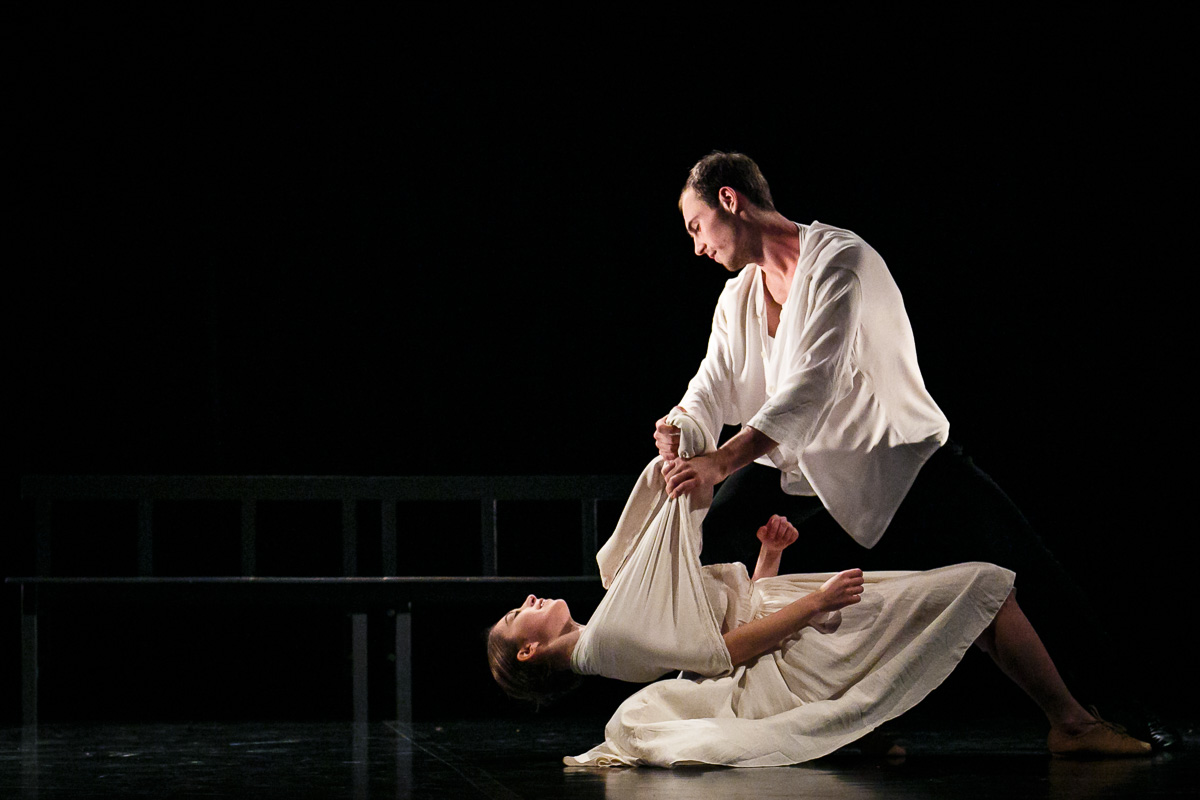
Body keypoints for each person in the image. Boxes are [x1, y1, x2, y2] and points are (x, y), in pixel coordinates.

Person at [654, 151, 1173, 748]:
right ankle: (789, 722)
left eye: (696, 227)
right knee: (719, 541)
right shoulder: (737, 298)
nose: (697, 246)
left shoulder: (842, 261)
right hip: (799, 470)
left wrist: (721, 461)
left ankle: (1120, 715)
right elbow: (713, 382)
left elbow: (812, 387)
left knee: (1020, 572)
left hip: (899, 458)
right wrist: (682, 424)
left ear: (729, 200)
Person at [487, 421, 1151, 767]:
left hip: (787, 616)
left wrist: (768, 560)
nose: (529, 603)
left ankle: (1056, 719)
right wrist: (816, 604)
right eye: (519, 616)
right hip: (792, 638)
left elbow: (718, 630)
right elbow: (725, 653)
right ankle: (1069, 723)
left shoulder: (613, 618)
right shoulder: (608, 639)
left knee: (971, 600)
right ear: (528, 652)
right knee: (981, 590)